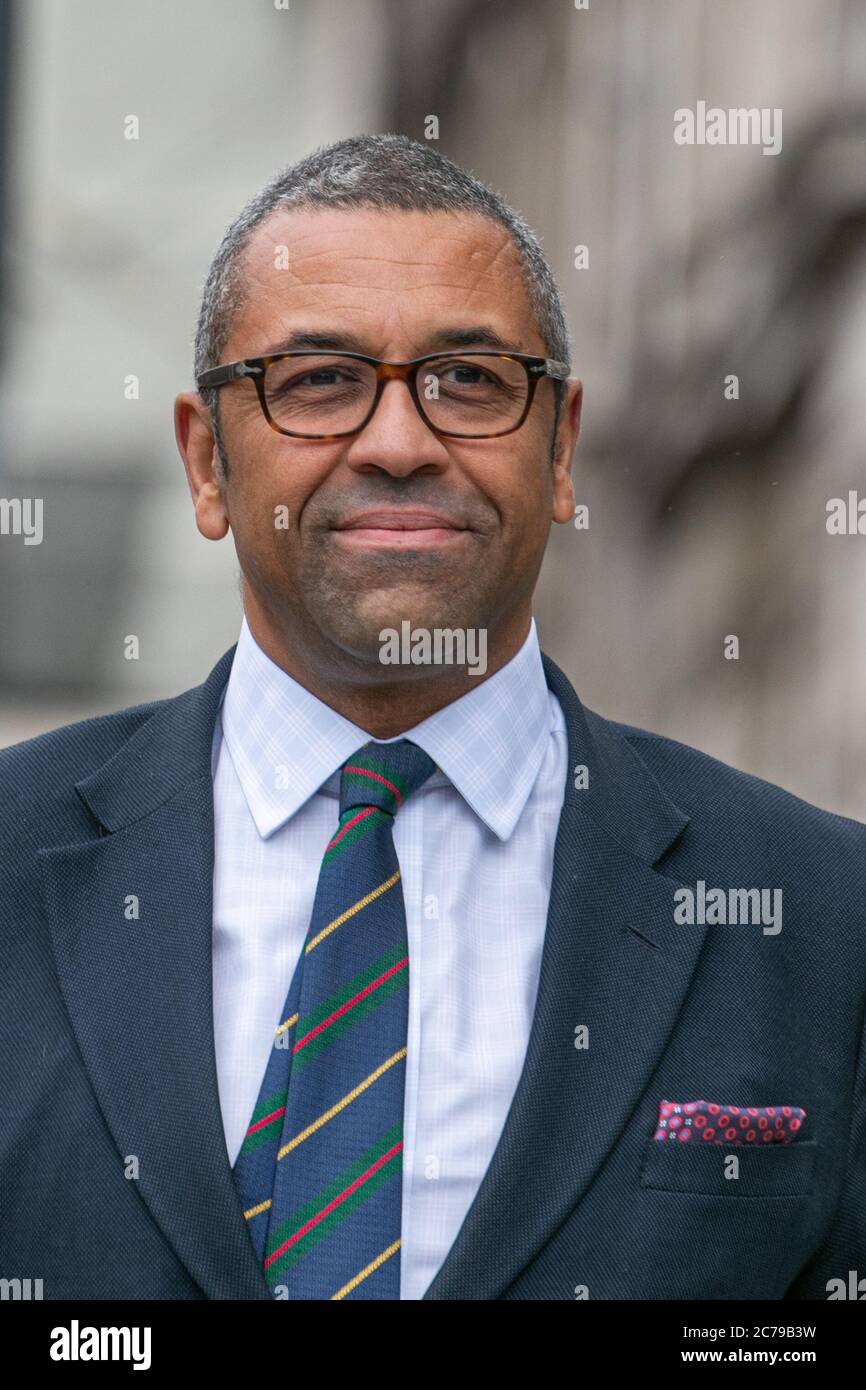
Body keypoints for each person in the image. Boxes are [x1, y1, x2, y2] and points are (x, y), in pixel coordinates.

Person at [1, 134, 863, 1301]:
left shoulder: (821, 917)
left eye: (469, 380)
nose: (400, 442)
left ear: (559, 449)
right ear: (207, 464)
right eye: (316, 381)